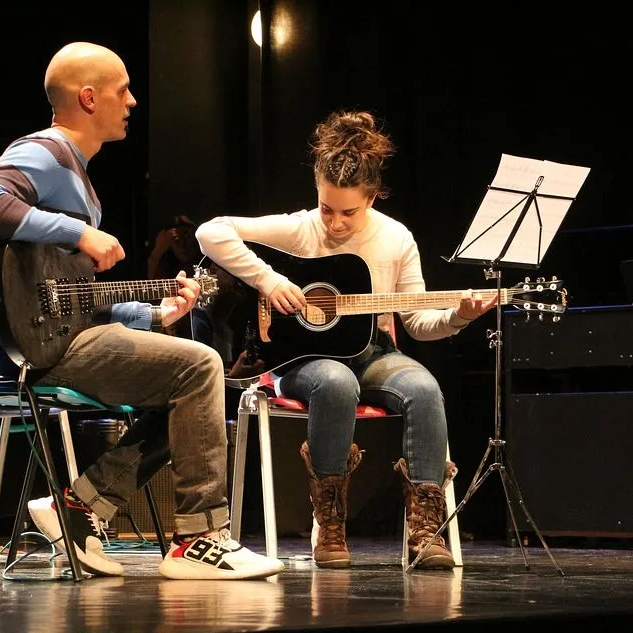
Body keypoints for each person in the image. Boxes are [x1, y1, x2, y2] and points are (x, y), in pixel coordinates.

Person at [0, 41, 283, 581]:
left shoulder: (75, 174)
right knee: (199, 365)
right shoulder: (45, 152)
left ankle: (80, 505)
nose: (132, 102)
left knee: (191, 388)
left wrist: (155, 316)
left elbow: (74, 302)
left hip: (58, 339)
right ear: (89, 98)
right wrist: (79, 231)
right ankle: (200, 539)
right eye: (122, 91)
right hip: (26, 351)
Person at [195, 110, 497, 570]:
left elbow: (418, 322)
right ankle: (330, 521)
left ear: (372, 197)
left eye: (349, 212)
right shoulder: (301, 228)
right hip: (301, 359)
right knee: (337, 381)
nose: (335, 223)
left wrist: (459, 315)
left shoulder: (395, 238)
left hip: (372, 353)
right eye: (326, 208)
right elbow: (210, 232)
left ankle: (425, 528)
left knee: (424, 389)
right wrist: (270, 280)